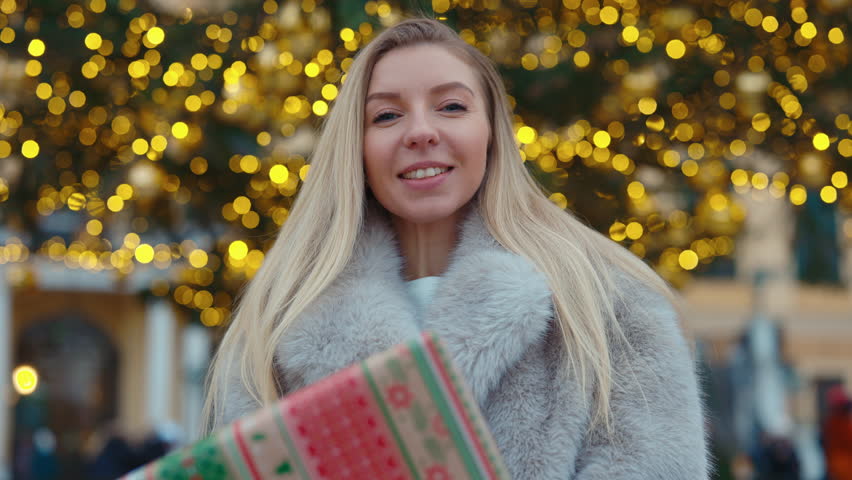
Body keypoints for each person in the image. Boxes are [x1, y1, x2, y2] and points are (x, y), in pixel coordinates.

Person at [202, 16, 709, 478]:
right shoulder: (280, 322)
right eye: (386, 116)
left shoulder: (608, 301)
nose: (421, 132)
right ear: (356, 146)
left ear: (491, 132)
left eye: (451, 107)